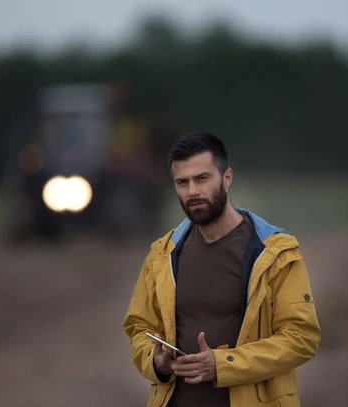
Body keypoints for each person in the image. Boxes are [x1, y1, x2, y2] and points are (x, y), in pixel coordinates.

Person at [122, 131, 321, 407]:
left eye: (202, 179)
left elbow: (301, 338)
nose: (192, 191)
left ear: (227, 178)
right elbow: (140, 326)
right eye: (182, 182)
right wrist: (155, 362)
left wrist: (222, 365)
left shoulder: (275, 254)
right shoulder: (162, 254)